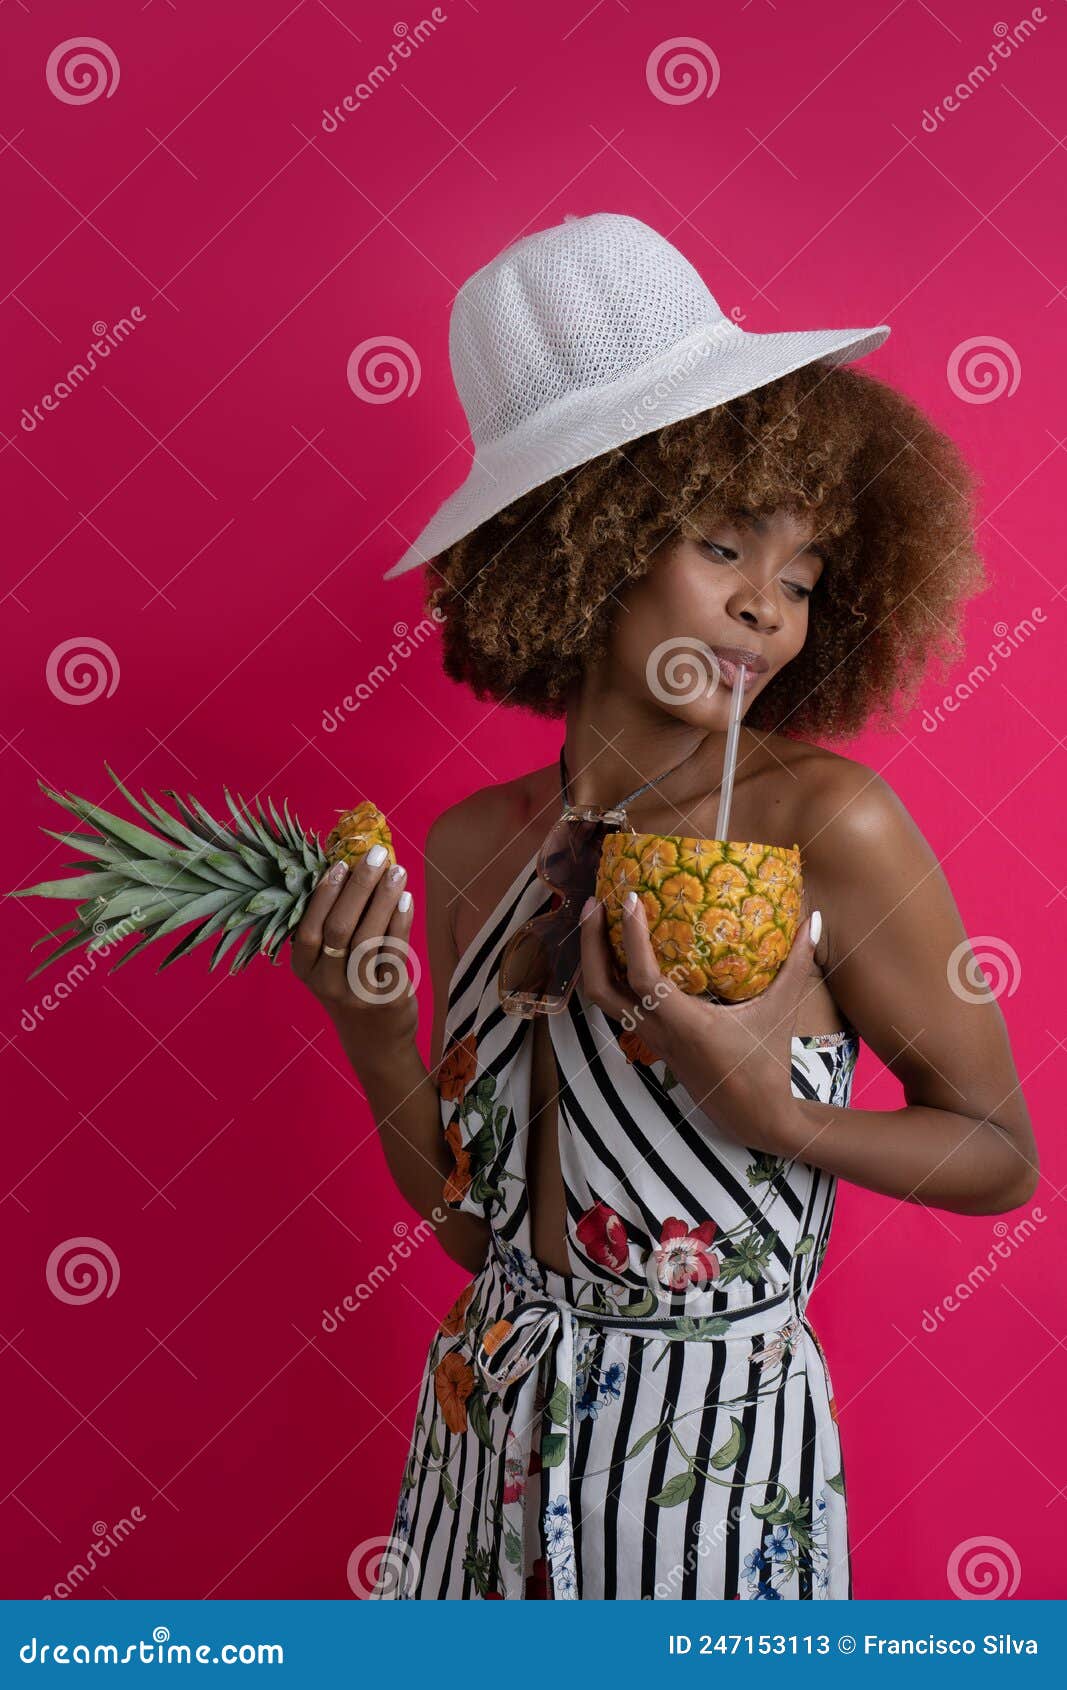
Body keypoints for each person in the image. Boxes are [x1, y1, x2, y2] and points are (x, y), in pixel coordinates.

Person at [291, 214, 1038, 1600]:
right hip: (478, 1444)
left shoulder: (827, 824)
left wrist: (775, 1113)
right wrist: (377, 1035)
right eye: (724, 547)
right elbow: (474, 1228)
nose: (768, 610)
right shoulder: (468, 848)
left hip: (712, 1472)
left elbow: (1003, 1155)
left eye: (804, 576)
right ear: (588, 544)